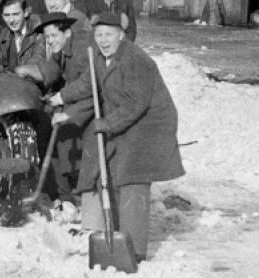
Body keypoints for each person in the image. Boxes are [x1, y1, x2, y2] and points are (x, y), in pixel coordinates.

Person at [48, 16, 184, 261]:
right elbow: (87, 85)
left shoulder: (135, 60)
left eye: (108, 35)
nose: (103, 40)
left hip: (149, 125)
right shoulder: (100, 58)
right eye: (99, 35)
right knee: (108, 168)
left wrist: (108, 124)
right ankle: (112, 231)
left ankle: (135, 249)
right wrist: (60, 97)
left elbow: (136, 104)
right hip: (126, 121)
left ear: (121, 35)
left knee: (132, 176)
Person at [35, 11, 89, 212]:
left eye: (53, 36)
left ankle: (68, 195)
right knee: (45, 127)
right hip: (77, 101)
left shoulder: (83, 51)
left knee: (61, 136)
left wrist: (62, 98)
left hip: (93, 106)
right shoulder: (62, 50)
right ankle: (60, 195)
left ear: (67, 32)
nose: (50, 41)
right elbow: (51, 72)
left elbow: (89, 85)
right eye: (47, 37)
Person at [0, 0, 47, 80]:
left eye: (15, 14)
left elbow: (38, 60)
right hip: (13, 86)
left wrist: (23, 70)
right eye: (7, 15)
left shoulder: (39, 32)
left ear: (26, 12)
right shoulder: (3, 36)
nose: (11, 20)